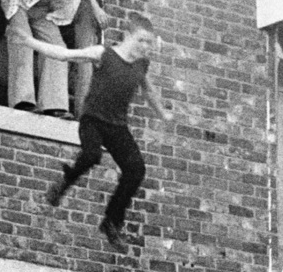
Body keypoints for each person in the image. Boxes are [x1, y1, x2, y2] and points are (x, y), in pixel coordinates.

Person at [18, 13, 173, 248]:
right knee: (92, 155)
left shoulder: (142, 64)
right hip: (92, 121)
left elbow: (148, 91)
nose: (145, 47)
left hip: (117, 126)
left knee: (136, 170)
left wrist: (162, 112)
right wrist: (30, 42)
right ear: (127, 35)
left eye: (149, 43)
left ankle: (111, 221)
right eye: (141, 40)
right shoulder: (103, 54)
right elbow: (64, 54)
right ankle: (64, 184)